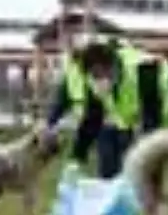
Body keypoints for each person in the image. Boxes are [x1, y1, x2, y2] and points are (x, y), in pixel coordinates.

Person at [70, 37, 168, 200]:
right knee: (146, 175)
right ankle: (153, 205)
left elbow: (151, 119)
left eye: (104, 73)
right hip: (149, 116)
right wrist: (76, 159)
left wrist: (145, 160)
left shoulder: (142, 68)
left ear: (113, 65)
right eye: (95, 75)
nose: (101, 79)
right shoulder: (93, 81)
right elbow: (92, 120)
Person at [44, 46, 134, 181]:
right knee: (107, 167)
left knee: (126, 165)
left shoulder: (104, 67)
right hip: (102, 124)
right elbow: (61, 102)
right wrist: (49, 123)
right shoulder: (72, 74)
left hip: (121, 122)